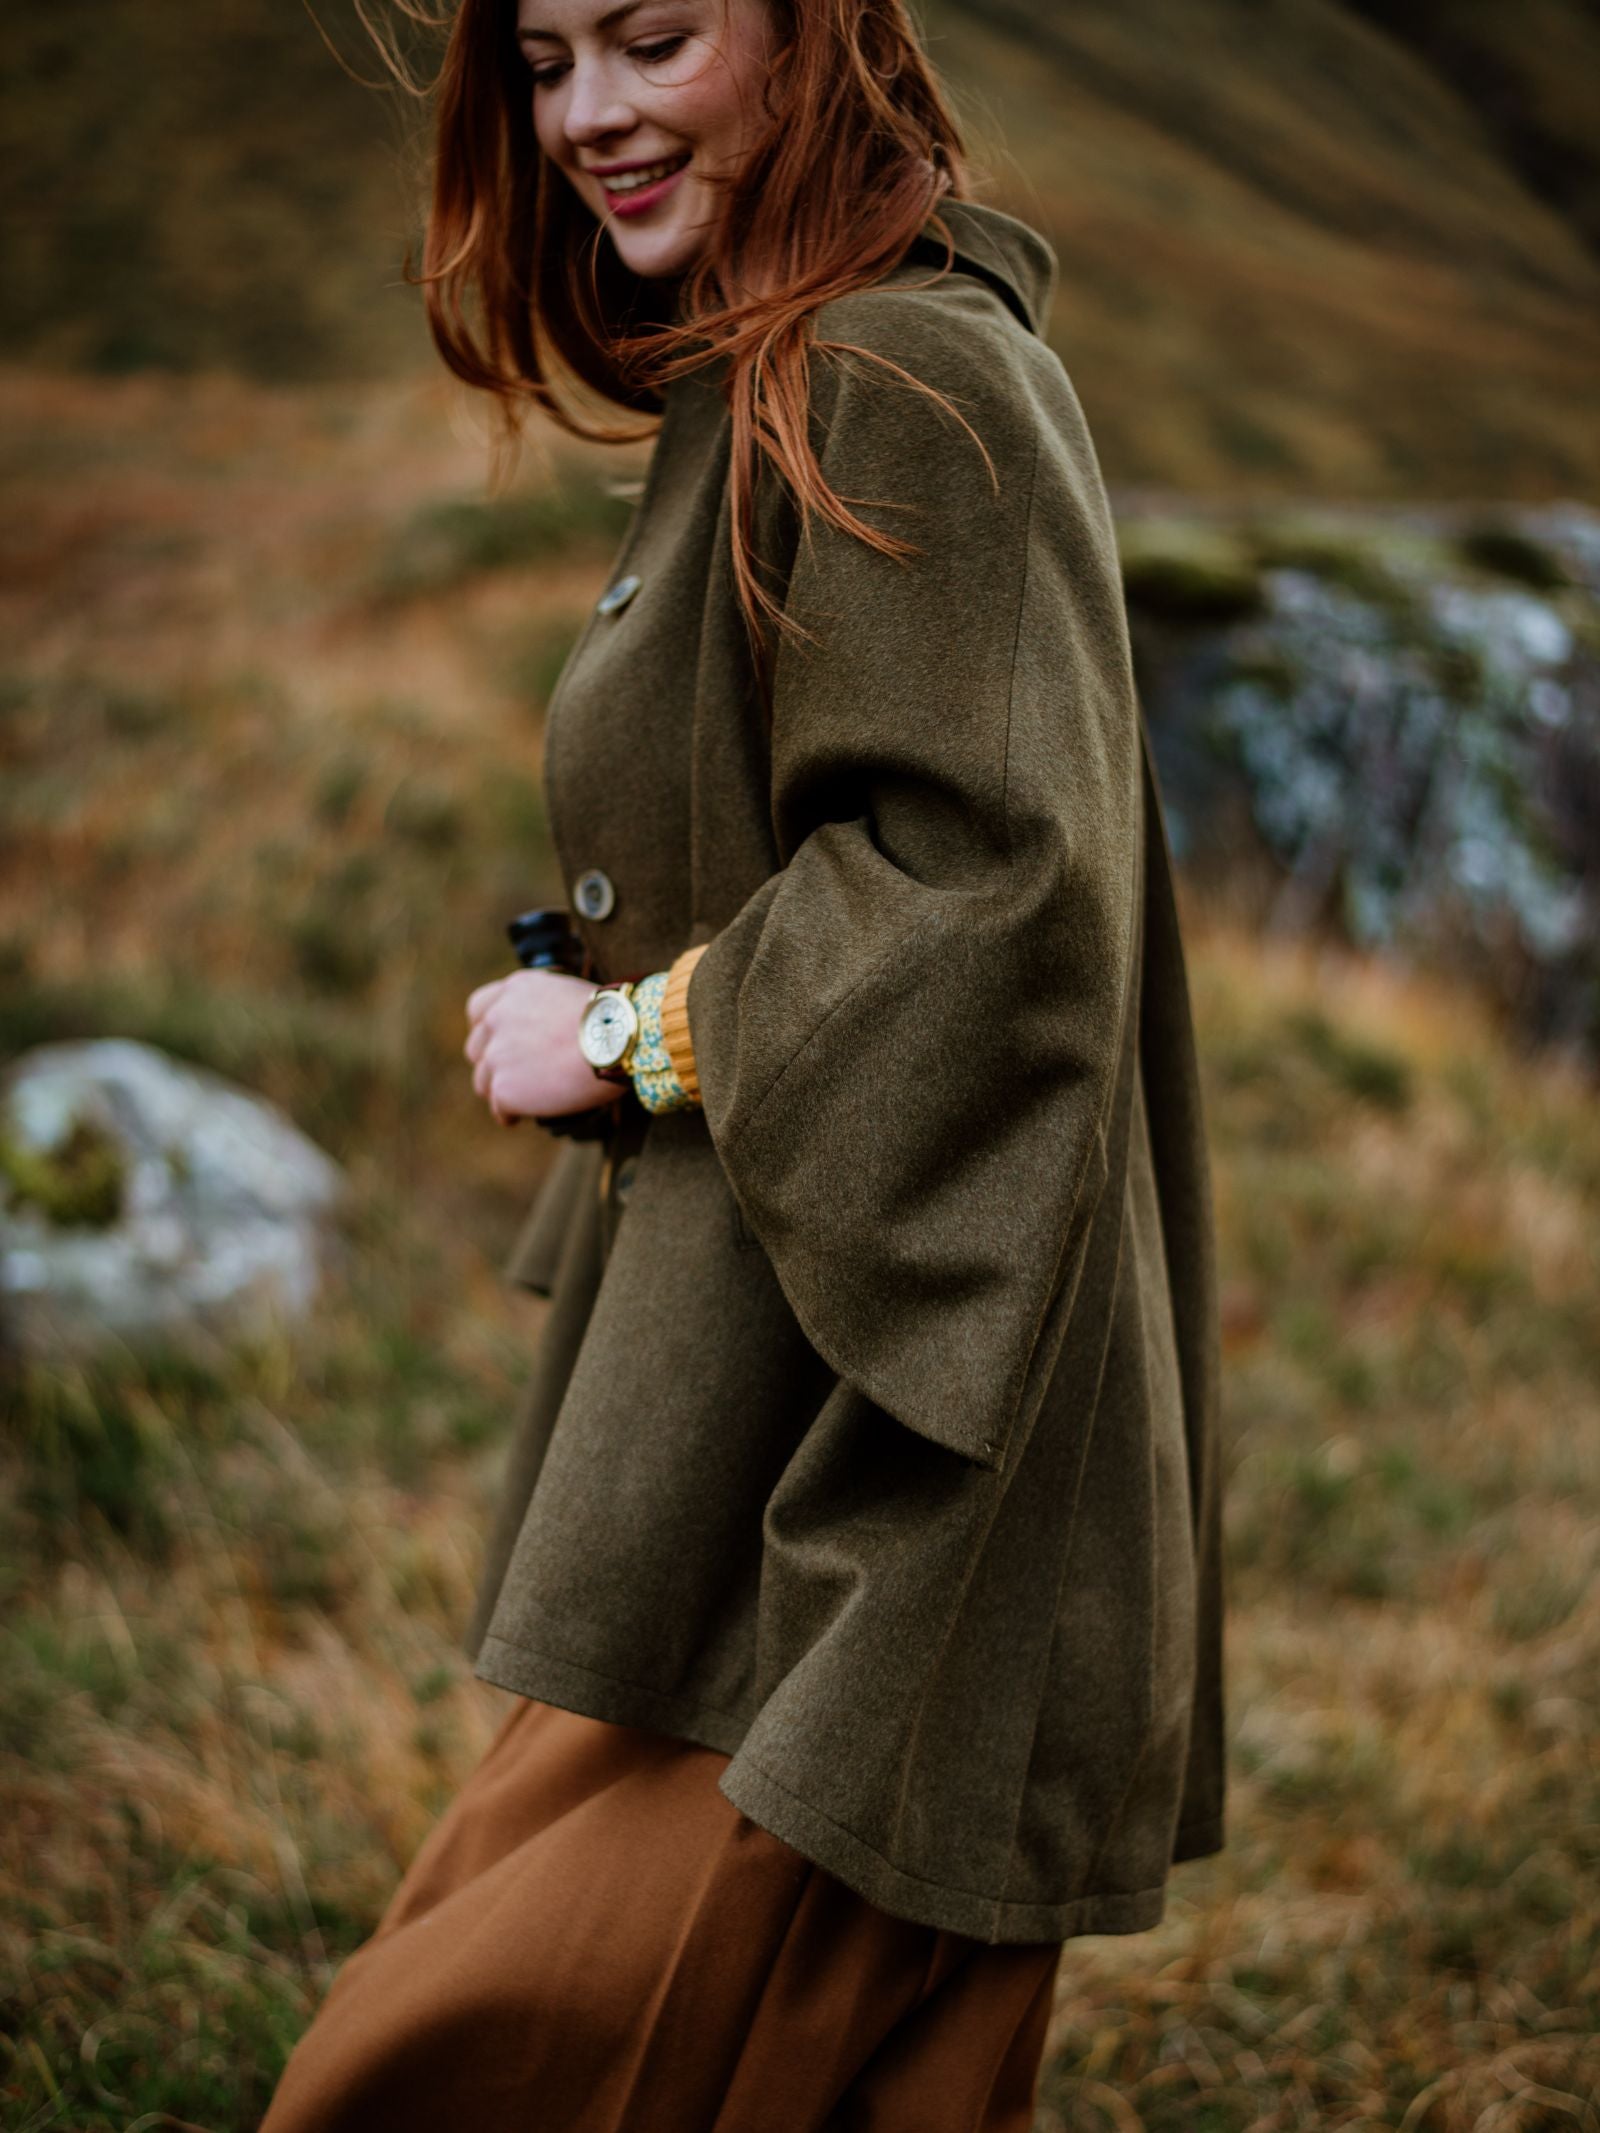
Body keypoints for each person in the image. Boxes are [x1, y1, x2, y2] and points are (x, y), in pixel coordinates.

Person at [259, 0, 1226, 2125]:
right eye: (543, 56)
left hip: (859, 1472)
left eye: (654, 35)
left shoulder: (895, 369)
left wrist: (624, 1030)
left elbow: (982, 885)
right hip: (775, 1420)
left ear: (812, 36)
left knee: (442, 2071)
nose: (587, 112)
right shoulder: (794, 347)